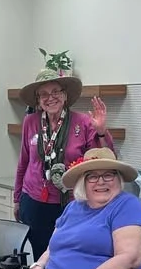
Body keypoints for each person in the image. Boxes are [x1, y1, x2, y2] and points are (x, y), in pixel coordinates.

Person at [23, 148, 141, 269]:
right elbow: (53, 247)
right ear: (83, 181)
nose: (101, 182)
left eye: (108, 175)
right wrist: (38, 266)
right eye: (92, 176)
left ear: (118, 178)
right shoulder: (73, 208)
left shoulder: (127, 206)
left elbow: (130, 259)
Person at [14, 69, 114, 258]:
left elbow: (104, 160)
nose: (50, 98)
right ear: (37, 99)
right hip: (33, 200)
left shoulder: (83, 122)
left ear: (65, 95)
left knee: (65, 254)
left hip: (69, 203)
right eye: (43, 94)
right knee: (39, 254)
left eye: (56, 92)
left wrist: (101, 131)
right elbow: (23, 162)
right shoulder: (30, 121)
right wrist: (17, 198)